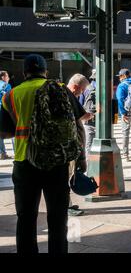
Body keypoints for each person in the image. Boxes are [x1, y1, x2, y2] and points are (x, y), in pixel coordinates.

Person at [1, 54, 84, 253]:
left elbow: (5, 132)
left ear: (24, 73)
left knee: (26, 218)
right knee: (58, 218)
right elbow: (78, 125)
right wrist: (80, 159)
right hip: (57, 161)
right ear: (46, 72)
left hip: (25, 163)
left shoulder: (11, 95)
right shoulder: (61, 89)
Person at [66, 74, 93, 217]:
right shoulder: (68, 95)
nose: (82, 93)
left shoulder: (65, 96)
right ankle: (66, 207)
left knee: (66, 177)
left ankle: (67, 205)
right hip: (67, 147)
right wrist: (90, 115)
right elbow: (81, 117)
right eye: (82, 90)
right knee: (65, 178)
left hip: (66, 147)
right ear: (76, 86)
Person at [79, 69, 97, 154]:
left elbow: (81, 104)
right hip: (102, 122)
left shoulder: (87, 89)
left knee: (88, 144)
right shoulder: (105, 88)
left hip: (88, 120)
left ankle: (89, 165)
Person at [0, 71, 12, 160]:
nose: (8, 78)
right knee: (13, 132)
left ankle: (2, 153)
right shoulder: (7, 86)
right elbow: (9, 99)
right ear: (3, 77)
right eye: (7, 76)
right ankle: (17, 153)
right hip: (5, 111)